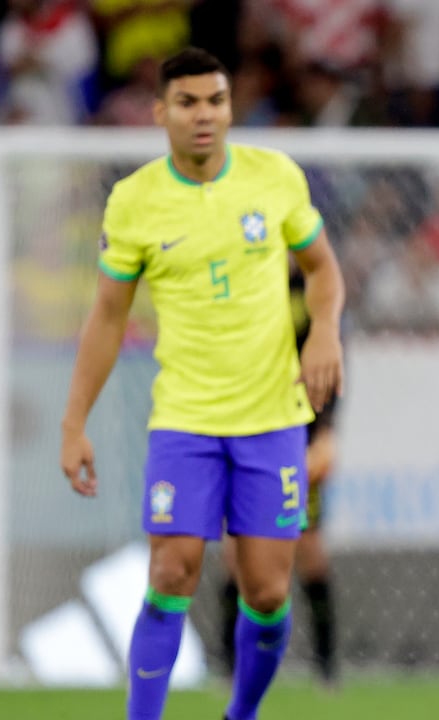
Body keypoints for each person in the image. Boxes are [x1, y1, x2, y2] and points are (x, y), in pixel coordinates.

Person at [59, 47, 345, 720]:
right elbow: (107, 316)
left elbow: (324, 270)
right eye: (187, 103)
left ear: (229, 107)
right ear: (161, 113)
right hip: (184, 420)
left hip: (273, 420)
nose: (204, 115)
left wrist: (326, 332)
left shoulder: (274, 177)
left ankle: (239, 714)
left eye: (215, 100)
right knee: (171, 571)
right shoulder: (134, 201)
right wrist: (74, 423)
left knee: (270, 594)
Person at [220, 313, 343, 689]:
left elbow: (330, 364)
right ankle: (229, 666)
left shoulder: (313, 290)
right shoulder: (246, 295)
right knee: (236, 559)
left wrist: (325, 433)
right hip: (248, 441)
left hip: (297, 448)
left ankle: (326, 665)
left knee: (310, 556)